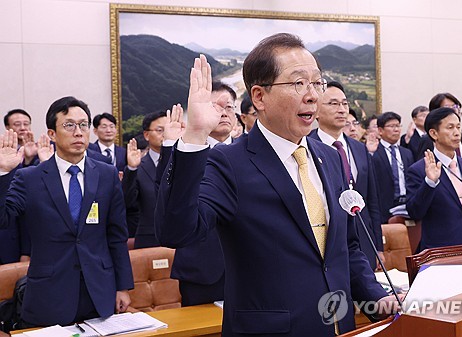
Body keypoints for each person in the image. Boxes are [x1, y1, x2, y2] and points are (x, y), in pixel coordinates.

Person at [155, 33, 395, 336]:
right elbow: (176, 230)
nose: (311, 95)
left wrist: (376, 297)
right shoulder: (229, 162)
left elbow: (345, 246)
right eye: (297, 83)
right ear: (259, 97)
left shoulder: (329, 158)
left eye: (316, 83)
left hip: (337, 325)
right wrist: (194, 137)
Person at [0, 96, 133, 327]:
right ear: (52, 134)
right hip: (49, 293)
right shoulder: (29, 178)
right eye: (69, 125)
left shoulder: (106, 174)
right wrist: (3, 173)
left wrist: (122, 286)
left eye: (83, 125)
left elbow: (116, 235)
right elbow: (3, 219)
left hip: (99, 291)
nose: (78, 132)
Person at [155, 83, 237, 307]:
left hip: (247, 267)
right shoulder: (185, 151)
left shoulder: (250, 153)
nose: (222, 112)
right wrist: (171, 145)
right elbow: (166, 200)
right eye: (214, 107)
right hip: (201, 269)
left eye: (228, 107)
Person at [309, 81, 383, 270]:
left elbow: (372, 201)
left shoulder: (359, 148)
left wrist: (378, 248)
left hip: (363, 239)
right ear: (316, 111)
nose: (342, 109)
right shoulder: (307, 148)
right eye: (333, 104)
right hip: (330, 240)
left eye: (344, 103)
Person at [406, 107, 462, 251]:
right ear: (434, 133)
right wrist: (430, 183)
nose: (456, 133)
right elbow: (415, 212)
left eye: (458, 127)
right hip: (441, 250)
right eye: (450, 127)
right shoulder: (418, 170)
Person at [122, 110, 167, 248]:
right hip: (149, 238)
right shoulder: (138, 166)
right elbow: (127, 201)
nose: (165, 135)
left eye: (169, 130)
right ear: (147, 135)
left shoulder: (183, 163)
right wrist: (131, 169)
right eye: (160, 130)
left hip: (183, 238)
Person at [416, 93, 462, 183]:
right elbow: (422, 170)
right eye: (448, 107)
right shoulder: (427, 140)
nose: (453, 110)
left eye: (455, 107)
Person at [372, 112, 414, 224]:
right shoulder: (374, 152)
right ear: (380, 130)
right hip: (385, 208)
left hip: (407, 205)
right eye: (391, 126)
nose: (396, 129)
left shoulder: (407, 153)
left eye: (398, 126)